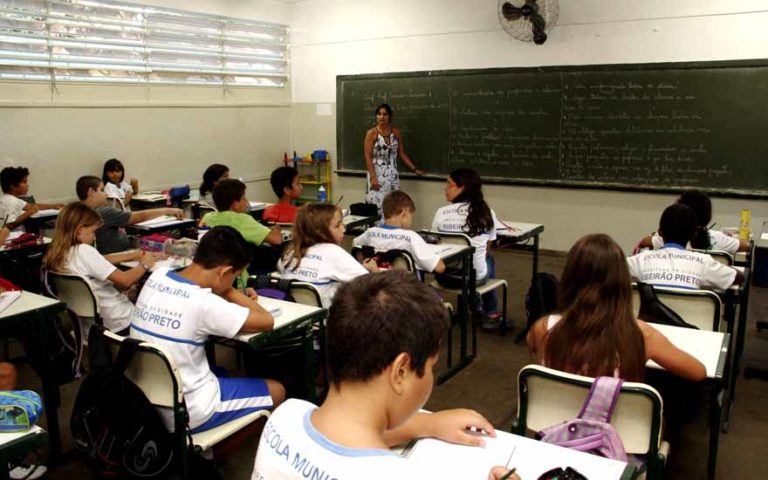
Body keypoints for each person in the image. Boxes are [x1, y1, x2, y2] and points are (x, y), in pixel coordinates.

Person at [251, 270, 517, 480]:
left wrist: (430, 424)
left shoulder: (284, 418)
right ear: (400, 371)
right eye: (432, 367)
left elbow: (346, 444)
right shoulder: (396, 474)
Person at [131, 226, 284, 433]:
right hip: (188, 409)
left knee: (226, 372)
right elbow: (266, 320)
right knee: (277, 390)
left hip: (143, 397)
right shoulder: (204, 303)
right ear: (224, 271)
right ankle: (201, 453)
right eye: (234, 276)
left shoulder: (157, 276)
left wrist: (222, 286)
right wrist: (229, 291)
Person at [527, 233, 706, 382]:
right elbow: (698, 372)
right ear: (621, 283)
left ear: (568, 278)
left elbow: (532, 344)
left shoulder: (543, 328)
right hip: (615, 424)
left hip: (555, 423)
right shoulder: (640, 335)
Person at [43, 202, 155, 335]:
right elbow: (125, 280)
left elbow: (98, 262)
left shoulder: (57, 253)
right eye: (93, 232)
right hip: (119, 321)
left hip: (88, 326)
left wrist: (132, 255)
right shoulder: (84, 250)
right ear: (80, 230)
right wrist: (146, 263)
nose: (94, 237)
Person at [431, 168, 500, 328]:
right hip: (473, 280)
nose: (445, 188)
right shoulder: (486, 212)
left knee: (464, 259)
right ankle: (490, 311)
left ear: (462, 187)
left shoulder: (441, 213)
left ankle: (473, 308)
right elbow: (487, 248)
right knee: (487, 258)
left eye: (449, 184)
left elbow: (435, 245)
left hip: (444, 277)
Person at [279, 204, 377, 307]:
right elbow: (371, 286)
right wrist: (374, 271)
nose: (344, 229)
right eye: (338, 225)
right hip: (327, 318)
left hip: (296, 315)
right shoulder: (334, 253)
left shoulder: (290, 254)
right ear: (320, 232)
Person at [627, 203, 742, 291]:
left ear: (660, 232)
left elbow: (611, 267)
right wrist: (728, 268)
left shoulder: (640, 260)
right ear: (693, 234)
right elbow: (738, 277)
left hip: (645, 322)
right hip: (690, 322)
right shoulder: (704, 262)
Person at [76, 176, 183, 255]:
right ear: (91, 192)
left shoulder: (77, 211)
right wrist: (168, 210)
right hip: (119, 256)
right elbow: (139, 216)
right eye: (102, 190)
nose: (106, 194)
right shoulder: (102, 212)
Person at [353, 191, 445, 273]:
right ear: (404, 214)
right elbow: (439, 268)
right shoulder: (411, 237)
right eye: (411, 216)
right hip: (401, 289)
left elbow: (355, 246)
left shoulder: (369, 233)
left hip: (373, 286)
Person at [632, 190, 749, 255]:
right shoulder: (718, 238)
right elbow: (746, 246)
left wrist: (643, 241)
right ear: (707, 216)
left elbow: (646, 240)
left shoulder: (668, 239)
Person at [364, 103, 423, 212]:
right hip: (377, 174)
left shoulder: (396, 132)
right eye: (379, 114)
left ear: (389, 116)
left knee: (393, 206)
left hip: (392, 175)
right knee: (377, 206)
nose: (382, 117)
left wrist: (414, 169)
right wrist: (373, 177)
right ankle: (377, 229)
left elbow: (402, 154)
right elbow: (367, 156)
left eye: (385, 114)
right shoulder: (371, 133)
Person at [200, 179, 282, 246]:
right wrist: (276, 230)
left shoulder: (207, 217)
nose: (246, 202)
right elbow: (276, 240)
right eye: (244, 199)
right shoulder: (243, 220)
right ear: (235, 205)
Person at [0, 166, 63, 232]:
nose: (27, 185)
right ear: (12, 185)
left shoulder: (7, 199)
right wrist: (28, 213)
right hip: (14, 238)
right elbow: (9, 225)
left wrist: (54, 206)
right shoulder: (12, 202)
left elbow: (31, 206)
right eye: (24, 182)